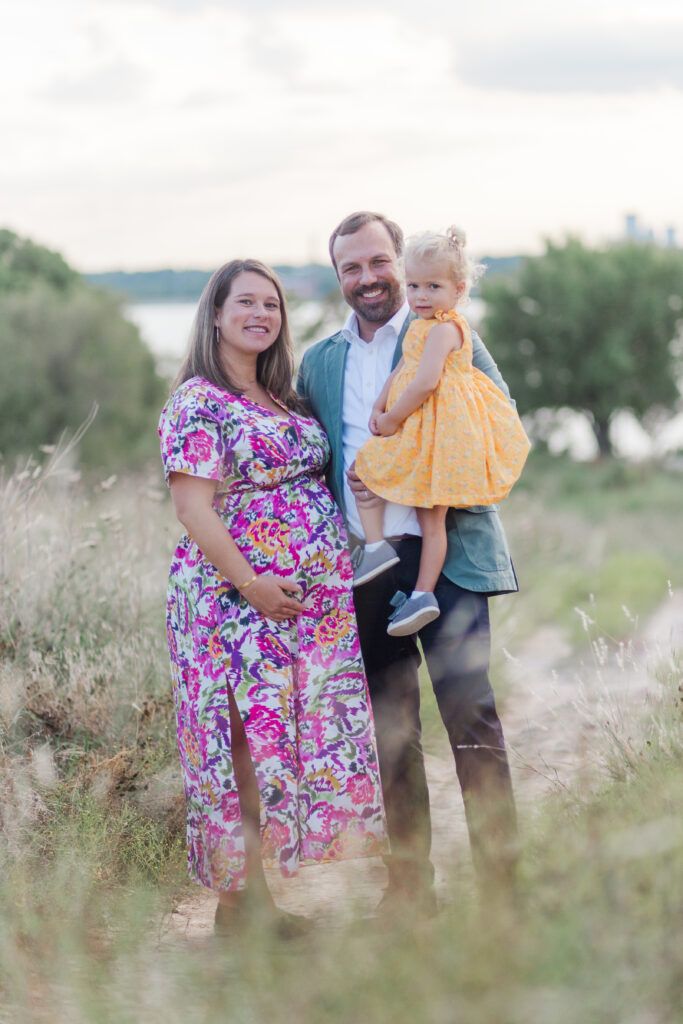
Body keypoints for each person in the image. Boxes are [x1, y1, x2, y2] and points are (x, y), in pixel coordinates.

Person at [297, 212, 520, 913]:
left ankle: (502, 891)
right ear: (338, 277)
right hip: (367, 561)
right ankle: (408, 892)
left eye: (377, 262)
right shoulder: (321, 360)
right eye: (351, 268)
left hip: (445, 553)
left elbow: (499, 419)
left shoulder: (450, 336)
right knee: (389, 729)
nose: (367, 278)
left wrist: (428, 459)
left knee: (471, 717)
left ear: (400, 262)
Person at [159, 258, 387, 938]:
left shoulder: (283, 397)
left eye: (272, 305)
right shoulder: (197, 400)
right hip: (231, 604)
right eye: (246, 303)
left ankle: (256, 906)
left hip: (304, 611)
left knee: (280, 743)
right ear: (217, 315)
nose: (261, 314)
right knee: (236, 749)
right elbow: (193, 509)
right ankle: (239, 913)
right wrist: (250, 583)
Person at [352, 226, 530, 637]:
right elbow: (401, 370)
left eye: (434, 286)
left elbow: (425, 381)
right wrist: (379, 403)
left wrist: (392, 417)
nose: (421, 296)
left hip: (441, 440)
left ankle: (423, 592)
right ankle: (378, 549)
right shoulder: (420, 325)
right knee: (370, 469)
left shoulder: (446, 328)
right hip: (425, 435)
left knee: (431, 519)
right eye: (413, 285)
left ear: (458, 289)